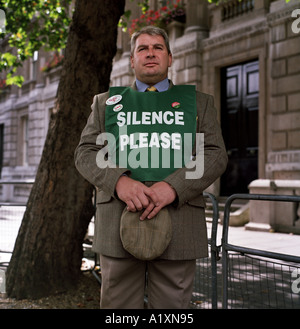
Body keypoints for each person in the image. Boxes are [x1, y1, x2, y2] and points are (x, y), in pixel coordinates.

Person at [75, 26, 227, 309]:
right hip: (117, 225)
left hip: (179, 222)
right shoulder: (105, 104)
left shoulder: (199, 104)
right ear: (132, 60)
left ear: (170, 58)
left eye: (158, 48)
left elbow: (215, 154)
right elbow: (86, 153)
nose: (150, 54)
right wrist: (119, 181)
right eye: (142, 49)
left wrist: (173, 187)